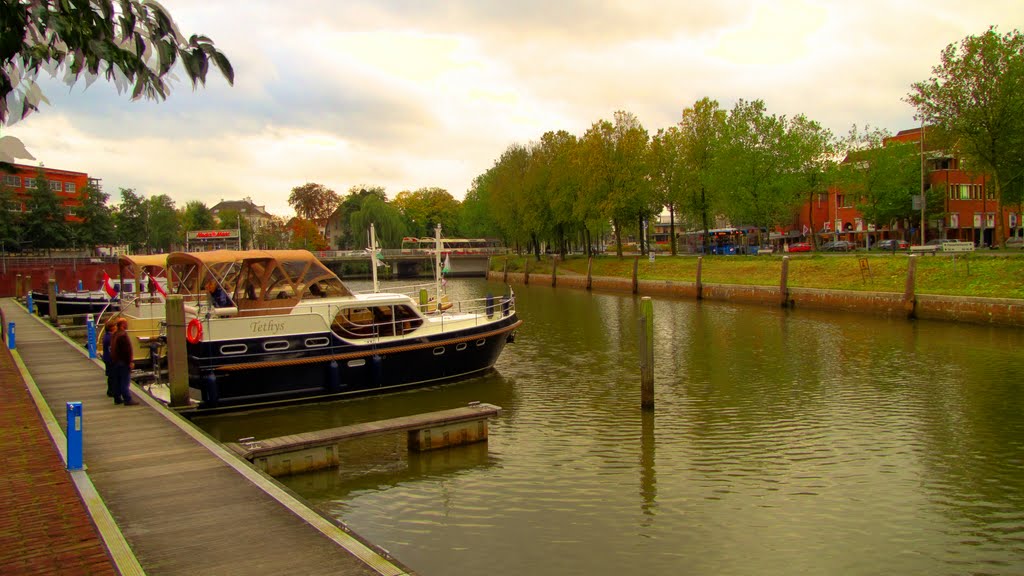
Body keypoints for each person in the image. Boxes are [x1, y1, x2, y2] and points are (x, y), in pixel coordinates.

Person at [110, 318, 136, 405]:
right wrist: (130, 361)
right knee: (125, 381)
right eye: (125, 323)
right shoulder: (123, 335)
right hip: (123, 362)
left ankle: (117, 398)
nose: (127, 324)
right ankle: (127, 399)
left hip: (116, 361)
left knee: (117, 380)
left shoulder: (115, 334)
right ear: (122, 325)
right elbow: (127, 350)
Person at [101, 320, 117, 398]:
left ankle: (110, 390)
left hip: (107, 358)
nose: (116, 327)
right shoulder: (110, 337)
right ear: (111, 328)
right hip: (110, 359)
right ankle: (112, 391)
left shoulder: (106, 336)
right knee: (113, 376)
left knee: (111, 375)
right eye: (114, 326)